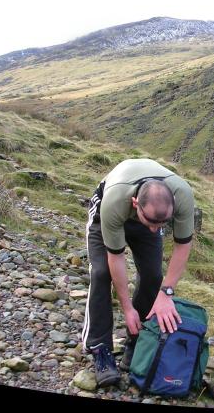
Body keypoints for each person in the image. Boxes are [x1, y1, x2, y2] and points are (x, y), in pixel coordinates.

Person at [81, 158, 202, 389]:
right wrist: (127, 308)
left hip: (147, 210)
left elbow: (183, 246)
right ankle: (100, 349)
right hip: (107, 215)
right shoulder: (115, 201)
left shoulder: (182, 196)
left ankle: (136, 342)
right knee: (101, 273)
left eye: (162, 223)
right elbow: (116, 257)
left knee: (153, 276)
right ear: (135, 203)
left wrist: (166, 293)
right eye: (152, 222)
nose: (156, 229)